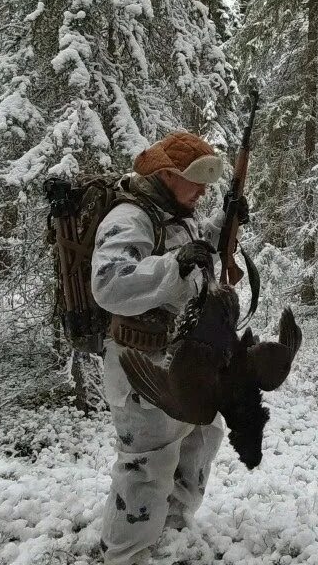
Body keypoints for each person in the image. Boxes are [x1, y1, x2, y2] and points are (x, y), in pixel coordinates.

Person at [90, 131, 246, 564]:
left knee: (201, 439)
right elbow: (109, 283)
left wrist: (221, 227)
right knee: (145, 468)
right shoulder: (130, 218)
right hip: (141, 368)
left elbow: (191, 257)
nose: (201, 192)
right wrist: (173, 265)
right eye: (194, 181)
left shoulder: (176, 213)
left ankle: (170, 531)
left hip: (183, 363)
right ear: (166, 174)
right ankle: (125, 554)